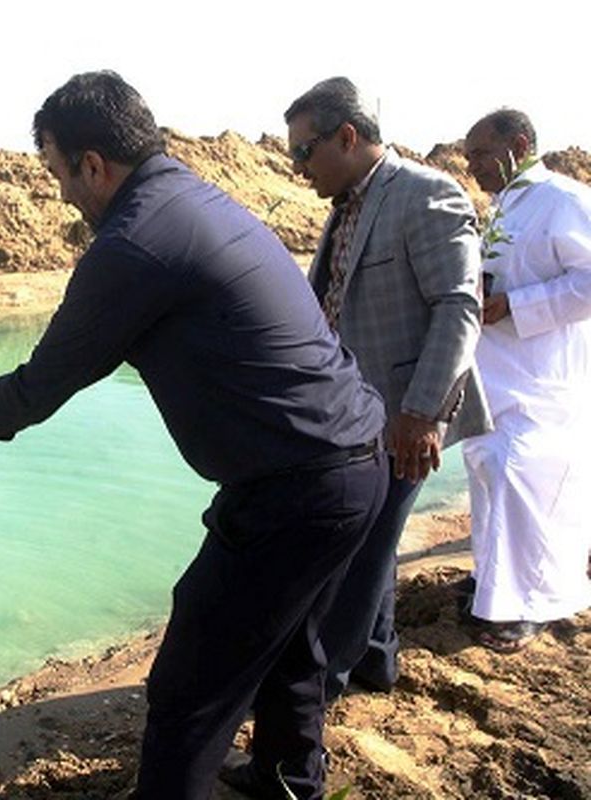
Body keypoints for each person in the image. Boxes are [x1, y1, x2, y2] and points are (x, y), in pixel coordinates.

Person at [0, 70, 389, 800]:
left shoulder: (131, 245)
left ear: (94, 164)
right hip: (352, 460)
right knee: (291, 645)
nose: (61, 192)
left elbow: (44, 383)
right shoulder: (193, 198)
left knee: (190, 686)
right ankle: (289, 777)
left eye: (60, 174)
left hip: (299, 487)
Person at [282, 77, 489, 700]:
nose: (297, 168)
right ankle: (376, 658)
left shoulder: (426, 195)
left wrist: (421, 414)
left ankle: (327, 681)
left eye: (303, 152)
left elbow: (459, 307)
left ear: (348, 137)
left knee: (361, 550)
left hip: (402, 417)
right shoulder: (347, 204)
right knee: (375, 542)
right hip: (352, 414)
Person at [460, 109, 591, 651]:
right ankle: (496, 589)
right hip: (497, 371)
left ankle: (538, 601)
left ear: (518, 144)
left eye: (480, 156)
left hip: (543, 375)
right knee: (490, 473)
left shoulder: (564, 199)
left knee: (528, 483)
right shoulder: (503, 205)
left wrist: (514, 305)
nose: (473, 169)